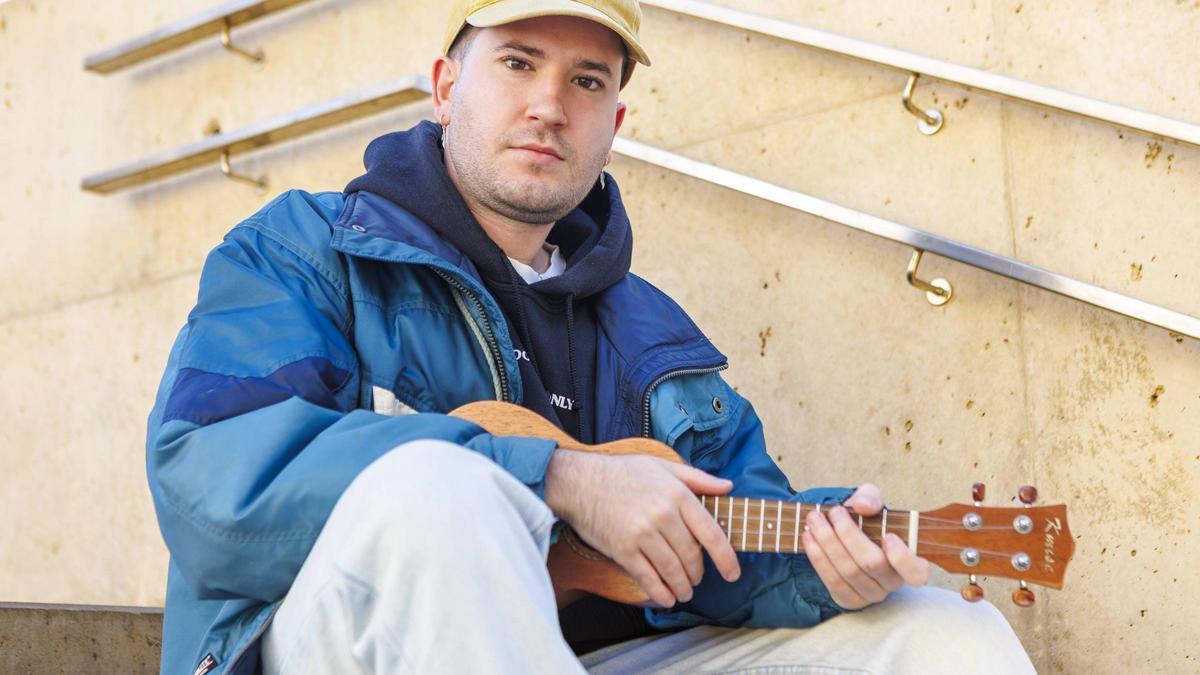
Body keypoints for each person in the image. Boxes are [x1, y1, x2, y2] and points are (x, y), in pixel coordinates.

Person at [145, 1, 1036, 673]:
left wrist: (827, 568)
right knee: (435, 487)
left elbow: (729, 546)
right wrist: (563, 477)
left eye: (585, 81)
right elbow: (212, 477)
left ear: (614, 126)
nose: (548, 105)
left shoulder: (649, 332)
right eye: (518, 64)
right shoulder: (304, 251)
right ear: (447, 87)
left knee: (940, 632)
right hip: (322, 646)